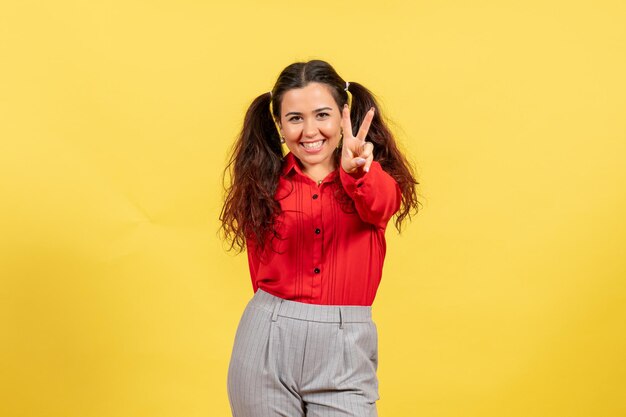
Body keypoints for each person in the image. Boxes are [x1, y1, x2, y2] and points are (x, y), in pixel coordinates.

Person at [220, 59, 419, 417]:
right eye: (295, 118)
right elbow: (259, 272)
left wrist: (357, 173)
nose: (310, 130)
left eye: (322, 115)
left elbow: (384, 205)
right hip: (267, 339)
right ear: (280, 125)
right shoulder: (264, 186)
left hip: (344, 349)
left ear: (344, 116)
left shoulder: (369, 179)